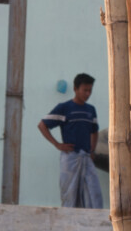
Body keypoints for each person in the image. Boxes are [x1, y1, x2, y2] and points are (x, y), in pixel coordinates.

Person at [38, 73, 102, 208]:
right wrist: (57, 145)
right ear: (75, 89)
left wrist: (92, 150)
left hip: (86, 158)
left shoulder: (90, 110)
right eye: (85, 90)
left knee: (94, 194)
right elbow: (42, 125)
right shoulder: (64, 108)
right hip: (70, 158)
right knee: (69, 195)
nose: (88, 93)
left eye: (90, 90)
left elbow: (94, 131)